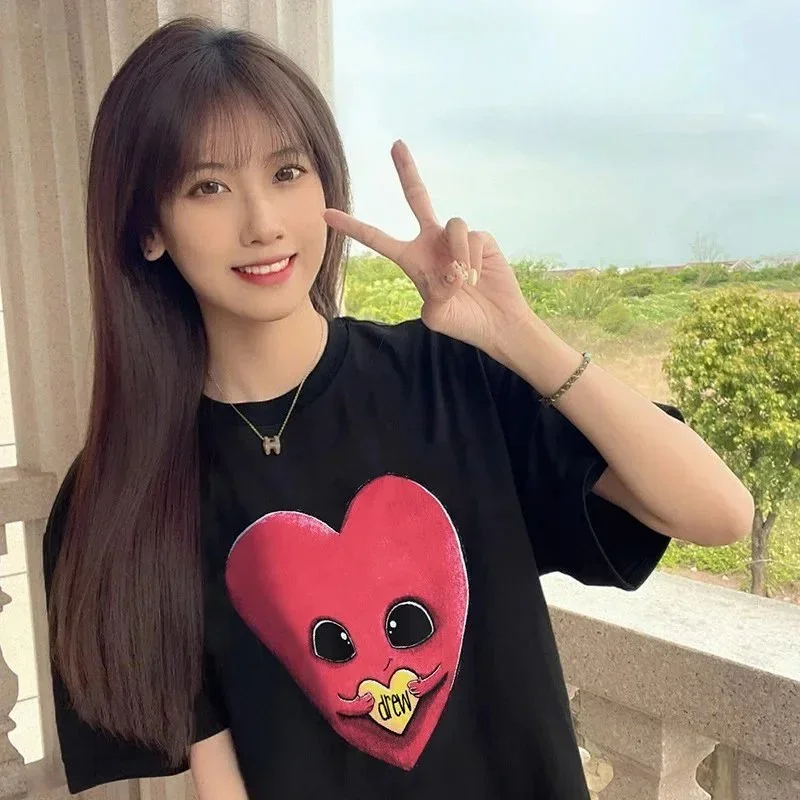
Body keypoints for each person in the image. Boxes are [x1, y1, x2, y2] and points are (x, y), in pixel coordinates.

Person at [42, 15, 754, 800]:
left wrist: (519, 337)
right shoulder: (126, 490)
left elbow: (719, 512)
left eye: (287, 172)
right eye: (208, 187)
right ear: (148, 228)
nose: (263, 223)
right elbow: (222, 779)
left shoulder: (450, 379)